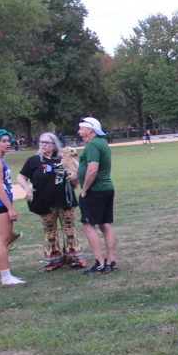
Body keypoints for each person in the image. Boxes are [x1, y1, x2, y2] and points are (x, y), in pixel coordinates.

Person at [16, 133, 86, 272]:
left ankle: (74, 260)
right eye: (41, 142)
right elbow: (21, 177)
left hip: (65, 201)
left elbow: (77, 173)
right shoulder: (33, 160)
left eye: (47, 142)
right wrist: (27, 189)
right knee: (49, 231)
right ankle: (53, 261)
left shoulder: (63, 159)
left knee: (69, 229)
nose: (43, 145)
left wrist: (74, 176)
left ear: (54, 145)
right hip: (44, 202)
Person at [76, 117, 118, 275]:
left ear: (90, 130)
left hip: (95, 191)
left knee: (87, 226)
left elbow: (93, 170)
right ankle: (111, 261)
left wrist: (84, 190)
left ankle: (99, 263)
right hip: (106, 189)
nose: (79, 132)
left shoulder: (93, 144)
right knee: (105, 224)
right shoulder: (102, 143)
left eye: (81, 129)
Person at [0, 129, 25, 284]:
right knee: (3, 240)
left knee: (4, 239)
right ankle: (6, 277)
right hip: (1, 204)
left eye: (8, 141)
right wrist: (10, 208)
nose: (7, 143)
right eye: (3, 141)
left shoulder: (1, 160)